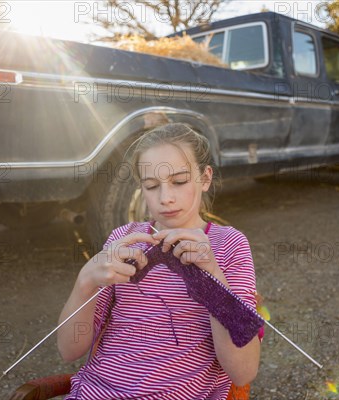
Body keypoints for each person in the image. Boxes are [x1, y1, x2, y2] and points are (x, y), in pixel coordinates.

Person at [57, 123, 260, 399]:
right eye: (152, 186)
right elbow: (69, 350)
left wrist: (212, 276)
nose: (166, 198)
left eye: (179, 181)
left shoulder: (229, 246)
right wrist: (85, 282)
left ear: (205, 178)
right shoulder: (123, 239)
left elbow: (243, 371)